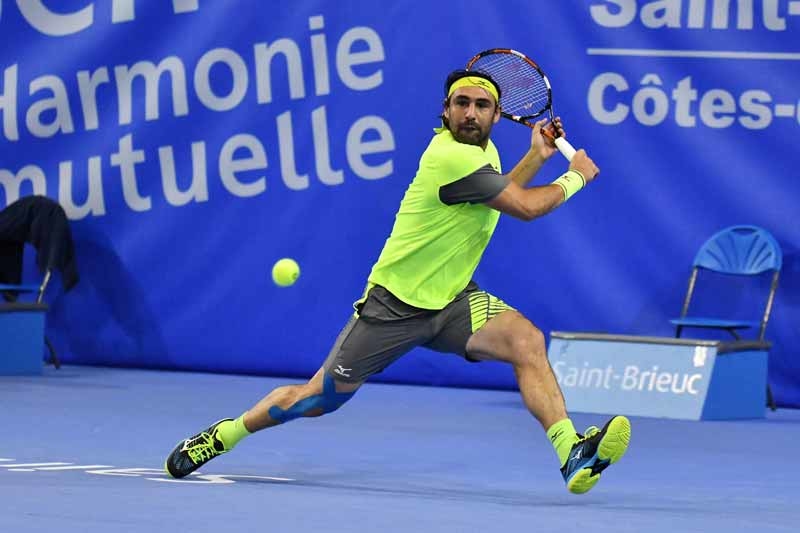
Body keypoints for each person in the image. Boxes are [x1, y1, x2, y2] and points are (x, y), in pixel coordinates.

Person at [165, 69, 630, 494]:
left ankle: (571, 452)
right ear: (445, 111)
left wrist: (535, 156)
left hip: (453, 301)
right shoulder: (449, 156)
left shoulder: (482, 153)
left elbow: (501, 194)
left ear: (495, 115)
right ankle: (224, 434)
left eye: (481, 105)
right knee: (315, 400)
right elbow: (524, 208)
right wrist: (575, 177)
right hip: (393, 307)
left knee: (526, 341)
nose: (470, 113)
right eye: (461, 103)